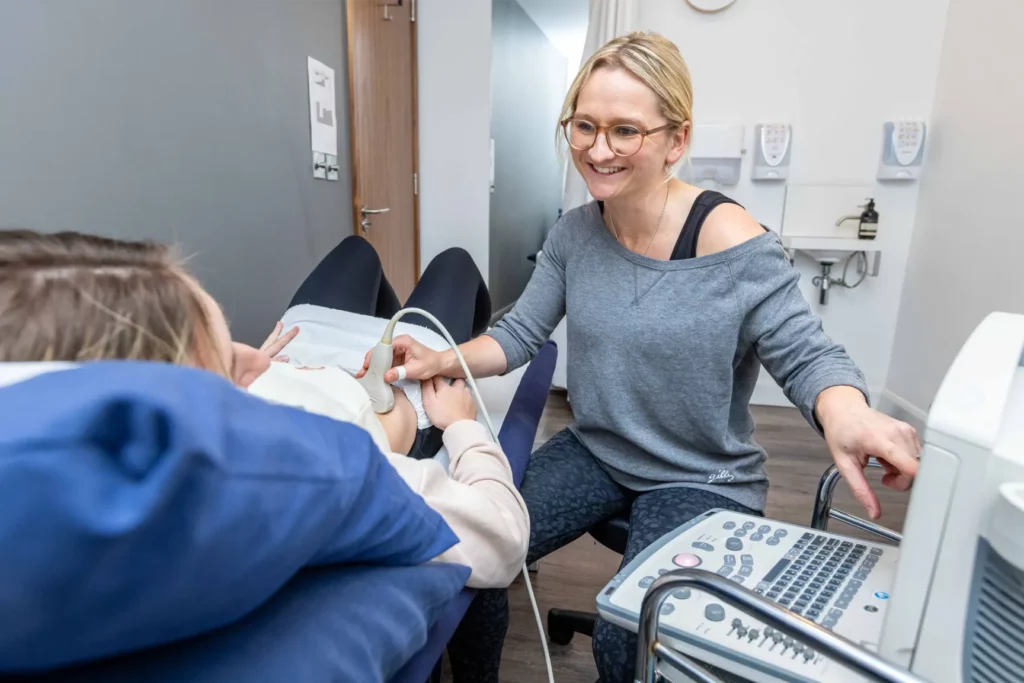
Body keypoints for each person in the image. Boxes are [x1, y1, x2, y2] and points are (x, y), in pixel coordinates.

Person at [357, 31, 922, 682]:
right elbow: (518, 336)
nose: (598, 149)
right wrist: (441, 358)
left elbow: (806, 353)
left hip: (700, 475)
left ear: (675, 140)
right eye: (585, 126)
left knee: (630, 640)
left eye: (625, 130)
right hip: (598, 449)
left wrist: (845, 411)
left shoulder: (734, 242)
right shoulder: (574, 232)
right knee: (472, 549)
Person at [0, 229, 528, 590]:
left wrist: (257, 371)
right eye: (227, 365)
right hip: (394, 388)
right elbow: (502, 538)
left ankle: (387, 326)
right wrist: (461, 425)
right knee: (455, 262)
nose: (249, 359)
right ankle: (453, 342)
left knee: (356, 250)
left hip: (300, 350)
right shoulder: (307, 468)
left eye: (232, 340)